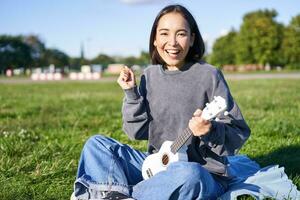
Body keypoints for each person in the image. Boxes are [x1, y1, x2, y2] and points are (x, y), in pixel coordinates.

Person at [72, 4, 300, 200]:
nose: (172, 42)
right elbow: (136, 132)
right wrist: (131, 93)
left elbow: (237, 132)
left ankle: (117, 192)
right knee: (97, 145)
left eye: (181, 34)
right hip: (155, 165)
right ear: (154, 38)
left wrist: (209, 130)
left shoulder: (209, 75)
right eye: (164, 33)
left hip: (202, 171)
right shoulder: (149, 76)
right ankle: (133, 193)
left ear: (192, 39)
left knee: (189, 175)